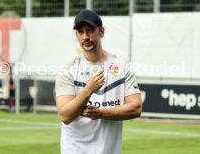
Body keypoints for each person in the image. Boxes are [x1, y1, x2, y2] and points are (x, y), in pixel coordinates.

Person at [55, 9, 142, 154]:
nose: (85, 37)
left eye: (90, 30)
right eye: (81, 32)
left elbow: (136, 108)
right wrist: (88, 90)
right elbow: (65, 115)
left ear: (101, 32)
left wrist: (101, 113)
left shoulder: (122, 66)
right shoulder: (67, 70)